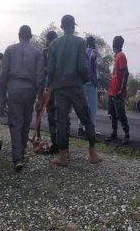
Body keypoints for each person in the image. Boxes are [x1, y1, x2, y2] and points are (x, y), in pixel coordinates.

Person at [47, 15, 103, 166]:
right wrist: (84, 80)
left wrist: (53, 83)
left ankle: (63, 156)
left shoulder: (53, 44)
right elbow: (81, 67)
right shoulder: (80, 42)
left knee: (61, 121)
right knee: (86, 118)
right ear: (73, 26)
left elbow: (50, 69)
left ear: (61, 26)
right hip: (76, 86)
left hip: (59, 88)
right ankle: (92, 154)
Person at [0, 25, 44, 171]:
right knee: (25, 123)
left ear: (19, 35)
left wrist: (2, 97)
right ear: (30, 37)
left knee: (15, 123)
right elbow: (39, 76)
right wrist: (40, 96)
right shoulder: (37, 52)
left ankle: (17, 158)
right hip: (29, 90)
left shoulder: (10, 50)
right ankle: (22, 153)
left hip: (14, 89)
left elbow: (4, 74)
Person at [42, 30, 69, 154]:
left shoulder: (46, 52)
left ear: (47, 40)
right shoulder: (63, 51)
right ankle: (64, 146)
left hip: (51, 87)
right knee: (63, 116)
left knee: (52, 116)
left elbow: (43, 70)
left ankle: (56, 145)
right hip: (63, 86)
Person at [106, 35, 131, 144]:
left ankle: (127, 135)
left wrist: (122, 89)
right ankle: (114, 133)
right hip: (112, 91)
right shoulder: (117, 56)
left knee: (120, 114)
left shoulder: (121, 56)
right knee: (112, 114)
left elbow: (126, 72)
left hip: (117, 92)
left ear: (114, 45)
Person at [78, 36, 100, 136]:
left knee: (83, 105)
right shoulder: (93, 51)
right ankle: (92, 128)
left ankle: (80, 127)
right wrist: (93, 78)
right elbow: (92, 60)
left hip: (83, 81)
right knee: (92, 106)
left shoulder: (84, 51)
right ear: (93, 42)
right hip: (90, 82)